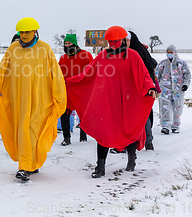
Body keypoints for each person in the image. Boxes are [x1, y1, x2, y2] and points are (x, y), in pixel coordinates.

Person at [66, 26, 156, 178]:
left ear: (122, 40)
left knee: (129, 129)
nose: (113, 43)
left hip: (128, 101)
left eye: (116, 40)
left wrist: (150, 88)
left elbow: (144, 75)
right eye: (110, 41)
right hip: (107, 103)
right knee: (104, 133)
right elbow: (87, 74)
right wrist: (69, 82)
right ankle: (100, 167)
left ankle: (131, 160)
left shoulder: (133, 55)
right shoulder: (102, 56)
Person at [0, 17, 66, 181]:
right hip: (19, 99)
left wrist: (59, 96)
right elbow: (3, 68)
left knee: (33, 131)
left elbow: (56, 74)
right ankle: (27, 165)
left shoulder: (45, 49)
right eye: (21, 32)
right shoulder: (13, 49)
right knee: (24, 130)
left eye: (27, 32)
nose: (23, 35)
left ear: (35, 32)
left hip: (40, 99)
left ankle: (28, 164)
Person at [58, 33, 93, 145]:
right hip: (67, 89)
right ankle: (66, 138)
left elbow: (92, 70)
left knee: (82, 113)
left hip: (81, 89)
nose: (67, 46)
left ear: (75, 44)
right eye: (66, 44)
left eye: (69, 43)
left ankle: (83, 137)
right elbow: (59, 73)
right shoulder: (63, 58)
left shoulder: (85, 55)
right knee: (64, 113)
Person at [156, 45, 191, 134]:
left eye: (171, 52)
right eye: (168, 52)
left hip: (178, 90)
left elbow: (187, 75)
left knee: (177, 108)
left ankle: (175, 125)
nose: (169, 54)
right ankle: (165, 126)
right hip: (165, 90)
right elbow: (157, 75)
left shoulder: (181, 64)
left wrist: (185, 85)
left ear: (175, 53)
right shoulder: (163, 63)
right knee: (164, 108)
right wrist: (158, 86)